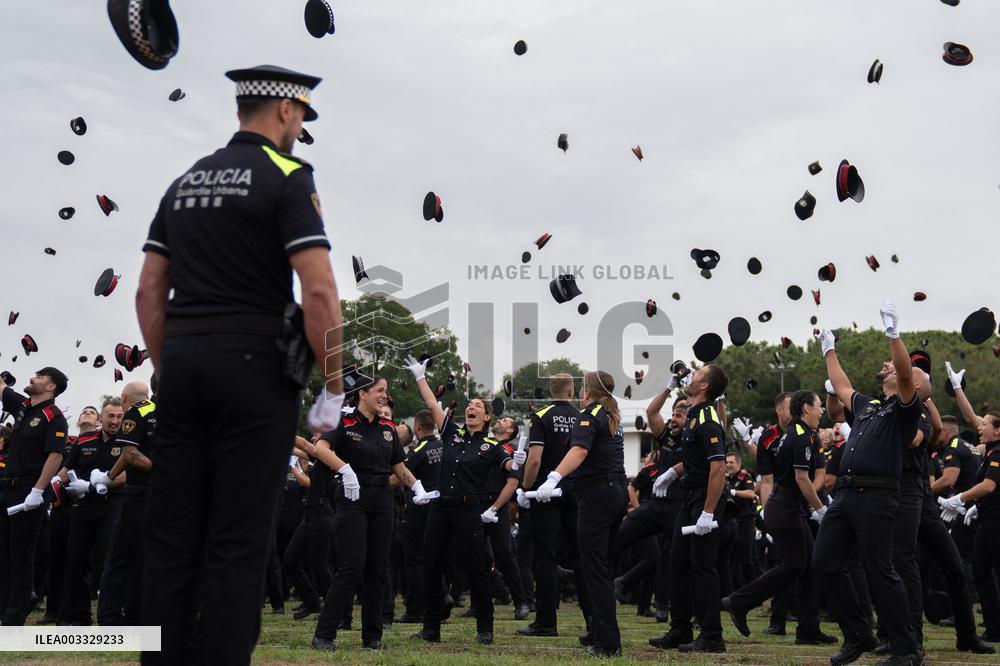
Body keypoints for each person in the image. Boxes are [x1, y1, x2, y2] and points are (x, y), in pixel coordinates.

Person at [135, 64, 344, 664]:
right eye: (301, 116)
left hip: (183, 363)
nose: (300, 127)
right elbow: (321, 291)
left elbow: (149, 293)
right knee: (238, 542)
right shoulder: (287, 176)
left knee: (173, 537)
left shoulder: (184, 181)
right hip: (252, 369)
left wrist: (169, 365)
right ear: (283, 110)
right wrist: (330, 387)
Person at [812, 303, 922, 666]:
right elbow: (841, 385)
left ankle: (906, 649)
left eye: (896, 366)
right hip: (845, 494)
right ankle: (859, 634)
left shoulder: (905, 408)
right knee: (824, 563)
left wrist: (894, 336)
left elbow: (906, 375)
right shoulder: (870, 406)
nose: (888, 366)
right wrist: (829, 348)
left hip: (878, 495)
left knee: (880, 571)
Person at [406, 355, 523, 646]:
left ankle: (485, 627)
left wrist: (518, 462)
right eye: (469, 405)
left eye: (477, 407)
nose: (471, 408)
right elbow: (433, 405)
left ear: (487, 417)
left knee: (477, 570)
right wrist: (421, 377)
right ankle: (431, 627)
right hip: (440, 509)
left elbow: (508, 468)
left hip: (469, 510)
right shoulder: (452, 434)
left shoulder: (492, 446)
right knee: (431, 567)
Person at [310, 376, 428, 652]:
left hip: (382, 499)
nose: (385, 396)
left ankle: (372, 637)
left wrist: (417, 486)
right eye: (380, 390)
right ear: (362, 393)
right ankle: (324, 634)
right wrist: (345, 470)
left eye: (386, 391)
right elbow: (320, 449)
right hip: (352, 497)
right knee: (351, 565)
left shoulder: (388, 427)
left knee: (378, 568)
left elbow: (399, 467)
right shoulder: (344, 422)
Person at [723, 390, 835, 645]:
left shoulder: (803, 434)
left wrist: (812, 504)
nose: (822, 411)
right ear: (805, 408)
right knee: (796, 565)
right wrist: (818, 508)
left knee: (808, 566)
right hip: (785, 507)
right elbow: (795, 478)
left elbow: (813, 475)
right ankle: (739, 601)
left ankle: (808, 628)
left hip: (790, 506)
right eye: (819, 406)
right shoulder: (797, 436)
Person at [535, 370, 628, 658]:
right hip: (615, 491)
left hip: (597, 495)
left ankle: (608, 642)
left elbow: (579, 451)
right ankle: (600, 631)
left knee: (595, 569)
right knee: (602, 566)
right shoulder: (610, 415)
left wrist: (553, 477)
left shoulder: (589, 414)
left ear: (586, 390)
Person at [647, 364, 729, 654]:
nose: (691, 375)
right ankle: (680, 627)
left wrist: (708, 512)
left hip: (706, 498)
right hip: (690, 495)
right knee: (677, 562)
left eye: (697, 374)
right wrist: (673, 472)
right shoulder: (693, 415)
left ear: (705, 386)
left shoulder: (707, 417)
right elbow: (697, 460)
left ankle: (712, 636)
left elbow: (718, 467)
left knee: (702, 567)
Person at [517, 373, 586, 639]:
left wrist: (525, 487)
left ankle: (546, 621)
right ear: (572, 390)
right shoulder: (583, 416)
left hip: (545, 492)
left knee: (545, 557)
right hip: (575, 491)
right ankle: (592, 618)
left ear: (550, 389)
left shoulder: (541, 416)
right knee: (579, 555)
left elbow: (534, 460)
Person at [0, 368, 69, 626]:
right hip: (7, 487)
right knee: (4, 553)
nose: (32, 378)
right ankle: (4, 608)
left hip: (29, 490)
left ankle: (14, 616)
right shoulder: (22, 406)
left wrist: (38, 491)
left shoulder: (54, 417)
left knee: (20, 555)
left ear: (51, 387)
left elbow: (55, 455)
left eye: (40, 376)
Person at [57, 399, 125, 625]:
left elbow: (129, 475)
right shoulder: (83, 440)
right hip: (83, 507)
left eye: (119, 416)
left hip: (112, 506)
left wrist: (93, 485)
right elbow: (67, 469)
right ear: (100, 419)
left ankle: (110, 618)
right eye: (110, 416)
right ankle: (80, 617)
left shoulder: (127, 441)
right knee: (76, 562)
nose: (115, 421)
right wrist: (53, 483)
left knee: (106, 561)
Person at [96, 380, 153, 626]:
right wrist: (109, 476)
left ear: (124, 397)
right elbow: (128, 455)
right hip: (168, 495)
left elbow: (130, 453)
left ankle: (113, 617)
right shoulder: (173, 412)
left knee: (121, 556)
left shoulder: (137, 412)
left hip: (139, 494)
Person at [38, 406, 97, 625]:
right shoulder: (67, 442)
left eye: (92, 411)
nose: (87, 414)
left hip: (85, 506)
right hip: (60, 506)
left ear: (98, 419)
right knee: (56, 559)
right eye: (85, 411)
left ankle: (68, 610)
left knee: (77, 561)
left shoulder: (100, 442)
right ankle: (51, 610)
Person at [396, 410, 442, 624]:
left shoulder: (418, 451)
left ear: (417, 427)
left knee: (413, 559)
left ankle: (415, 608)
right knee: (434, 557)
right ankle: (441, 597)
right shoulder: (444, 447)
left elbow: (399, 477)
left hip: (420, 507)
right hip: (440, 508)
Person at [481, 415, 529, 619]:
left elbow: (512, 483)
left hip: (497, 507)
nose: (499, 422)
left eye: (505, 421)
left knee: (504, 555)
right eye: (499, 419)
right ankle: (479, 603)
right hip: (477, 504)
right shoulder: (485, 446)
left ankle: (521, 602)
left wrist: (494, 507)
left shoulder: (509, 451)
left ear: (510, 432)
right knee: (478, 555)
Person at [725, 451, 759, 590]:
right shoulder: (726, 479)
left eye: (731, 462)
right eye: (726, 462)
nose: (728, 465)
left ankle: (755, 590)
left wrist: (733, 492)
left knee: (746, 558)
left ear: (738, 463)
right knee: (732, 558)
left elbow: (751, 494)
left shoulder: (745, 476)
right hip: (731, 520)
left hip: (745, 521)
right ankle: (738, 590)